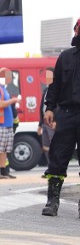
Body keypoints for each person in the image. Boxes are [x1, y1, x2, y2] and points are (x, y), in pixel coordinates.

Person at [41, 18, 80, 217]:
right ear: (76, 32)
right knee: (57, 157)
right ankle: (52, 202)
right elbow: (54, 86)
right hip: (66, 114)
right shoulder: (65, 57)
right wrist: (49, 108)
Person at [0, 67, 21, 179]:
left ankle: (3, 171)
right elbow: (0, 104)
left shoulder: (3, 88)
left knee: (4, 149)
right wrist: (13, 100)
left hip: (6, 124)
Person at [37, 68, 55, 166]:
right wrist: (40, 124)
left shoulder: (58, 90)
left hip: (52, 122)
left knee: (54, 145)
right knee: (45, 146)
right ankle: (50, 166)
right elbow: (42, 107)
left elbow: (58, 106)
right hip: (45, 122)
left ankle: (56, 168)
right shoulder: (46, 90)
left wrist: (56, 121)